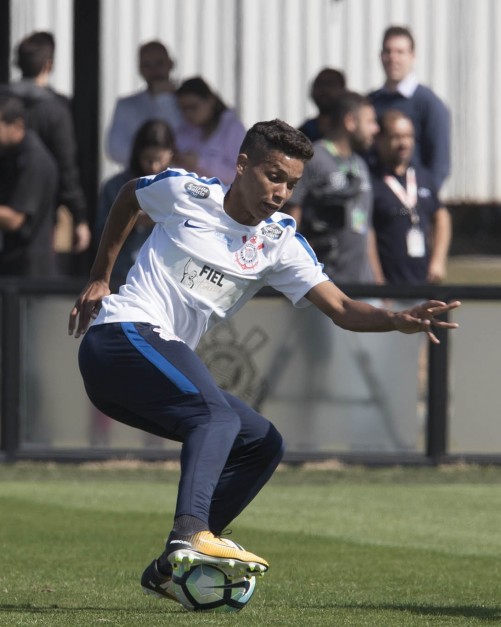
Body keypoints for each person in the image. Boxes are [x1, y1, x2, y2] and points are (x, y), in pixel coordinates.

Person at [67, 119, 460, 607]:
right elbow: (129, 195)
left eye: (291, 183)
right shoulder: (185, 192)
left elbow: (341, 309)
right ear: (243, 164)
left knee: (260, 441)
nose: (281, 191)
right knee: (216, 417)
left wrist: (396, 319)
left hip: (138, 370)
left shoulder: (279, 244)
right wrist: (101, 277)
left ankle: (172, 567)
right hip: (119, 338)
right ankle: (189, 534)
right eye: (274, 175)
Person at [3, 31, 90, 255]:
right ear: (48, 65)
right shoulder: (56, 109)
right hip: (42, 214)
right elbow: (66, 166)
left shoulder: (4, 101)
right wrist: (79, 216)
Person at [286, 90, 380, 284]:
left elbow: (366, 228)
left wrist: (378, 280)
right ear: (350, 121)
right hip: (325, 284)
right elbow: (291, 218)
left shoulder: (360, 164)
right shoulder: (314, 159)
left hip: (365, 286)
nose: (376, 129)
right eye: (370, 121)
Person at [371, 109, 451, 285]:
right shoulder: (371, 181)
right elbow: (366, 232)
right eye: (396, 137)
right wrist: (376, 278)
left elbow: (441, 216)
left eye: (408, 137)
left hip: (423, 282)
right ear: (380, 139)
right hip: (386, 285)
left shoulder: (423, 177)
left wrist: (438, 261)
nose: (403, 143)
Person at [368, 25, 451, 193]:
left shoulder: (429, 104)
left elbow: (439, 164)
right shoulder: (371, 102)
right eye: (388, 51)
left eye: (400, 52)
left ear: (412, 56)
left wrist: (423, 201)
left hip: (410, 201)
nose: (393, 58)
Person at [95, 119, 176, 290]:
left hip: (164, 277)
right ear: (137, 154)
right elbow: (100, 232)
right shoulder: (116, 187)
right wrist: (128, 221)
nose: (154, 167)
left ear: (171, 154)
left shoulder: (179, 188)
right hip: (121, 275)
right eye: (148, 159)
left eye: (159, 160)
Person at [0, 93, 59, 277]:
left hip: (29, 273)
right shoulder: (10, 154)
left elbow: (15, 219)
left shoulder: (34, 160)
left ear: (17, 125)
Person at [105, 41, 183, 167]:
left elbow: (186, 143)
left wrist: (165, 99)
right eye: (147, 65)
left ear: (171, 64)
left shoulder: (188, 103)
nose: (154, 71)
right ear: (140, 70)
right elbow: (115, 150)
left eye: (159, 63)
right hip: (138, 179)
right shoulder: (126, 105)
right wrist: (152, 160)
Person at [173, 77, 246, 184]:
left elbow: (240, 175)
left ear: (210, 100)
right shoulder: (184, 130)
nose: (188, 114)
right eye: (183, 109)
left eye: (193, 107)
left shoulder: (233, 129)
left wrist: (200, 163)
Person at [298, 67, 346, 144]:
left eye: (330, 84)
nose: (323, 90)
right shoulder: (305, 131)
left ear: (343, 91)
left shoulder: (350, 131)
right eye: (319, 84)